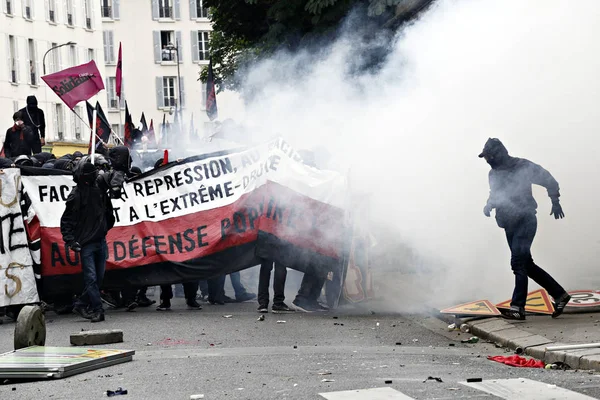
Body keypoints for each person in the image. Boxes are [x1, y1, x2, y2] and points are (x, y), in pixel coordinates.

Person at [480, 138, 571, 320]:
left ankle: (517, 308)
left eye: (489, 156)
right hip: (508, 223)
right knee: (526, 264)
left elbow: (549, 180)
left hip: (525, 220)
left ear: (498, 154)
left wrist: (555, 201)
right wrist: (489, 205)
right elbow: (495, 194)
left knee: (518, 263)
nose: (487, 160)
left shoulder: (522, 166)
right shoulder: (493, 174)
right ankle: (560, 295)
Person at [60, 156, 115, 323]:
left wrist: (105, 226)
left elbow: (108, 210)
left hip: (100, 240)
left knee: (98, 278)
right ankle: (98, 309)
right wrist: (70, 241)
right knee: (91, 278)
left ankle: (82, 302)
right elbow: (66, 221)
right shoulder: (75, 196)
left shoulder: (99, 190)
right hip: (86, 244)